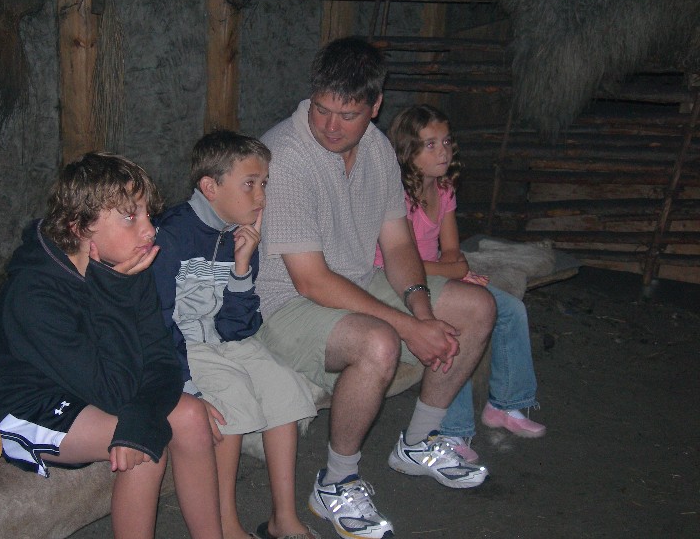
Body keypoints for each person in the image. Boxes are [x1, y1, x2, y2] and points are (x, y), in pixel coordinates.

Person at [255, 37, 496, 539]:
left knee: (475, 305)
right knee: (379, 342)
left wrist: (423, 311)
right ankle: (336, 482)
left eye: (348, 114)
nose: (330, 126)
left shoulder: (381, 149)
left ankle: (419, 441)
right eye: (322, 109)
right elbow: (311, 280)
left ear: (375, 107)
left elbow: (398, 241)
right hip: (288, 304)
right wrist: (409, 327)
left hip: (359, 281)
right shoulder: (286, 154)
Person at [0, 152, 223, 539]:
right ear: (79, 227)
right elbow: (115, 392)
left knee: (190, 417)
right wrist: (116, 292)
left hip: (89, 378)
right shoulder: (35, 293)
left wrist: (119, 286)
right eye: (130, 216)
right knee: (144, 441)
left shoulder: (126, 265)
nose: (150, 230)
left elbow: (160, 360)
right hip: (17, 403)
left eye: (148, 214)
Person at [151, 130, 319, 539]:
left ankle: (284, 518)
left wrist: (242, 266)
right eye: (249, 184)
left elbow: (239, 327)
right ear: (210, 186)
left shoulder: (238, 236)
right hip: (183, 346)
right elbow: (156, 318)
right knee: (230, 400)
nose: (260, 194)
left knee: (283, 386)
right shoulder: (171, 235)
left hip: (223, 341)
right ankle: (224, 524)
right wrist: (185, 384)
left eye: (264, 184)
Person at [376, 104, 546, 464]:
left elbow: (453, 251)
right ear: (407, 151)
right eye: (431, 144)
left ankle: (505, 404)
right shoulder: (396, 196)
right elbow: (401, 261)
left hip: (434, 274)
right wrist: (454, 271)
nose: (443, 151)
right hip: (396, 283)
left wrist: (456, 269)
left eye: (447, 142)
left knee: (510, 307)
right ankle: (449, 431)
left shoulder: (444, 187)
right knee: (460, 326)